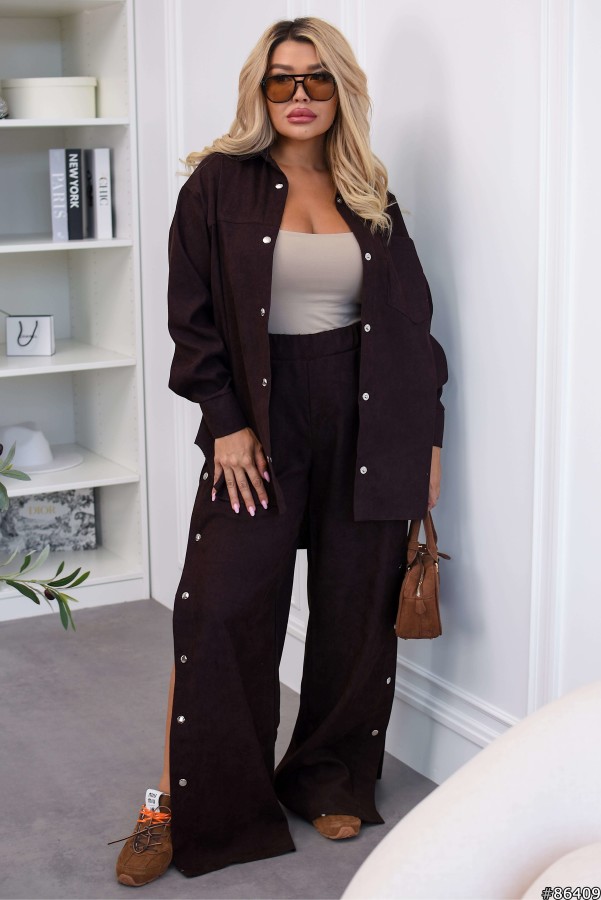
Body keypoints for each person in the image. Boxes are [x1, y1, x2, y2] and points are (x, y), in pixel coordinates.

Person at [113, 15, 448, 887]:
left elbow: (411, 325)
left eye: (317, 79)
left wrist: (426, 437)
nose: (300, 95)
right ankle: (187, 808)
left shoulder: (369, 190)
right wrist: (225, 421)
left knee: (355, 612)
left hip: (368, 421)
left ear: (342, 91)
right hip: (260, 421)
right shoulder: (216, 184)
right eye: (282, 79)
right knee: (218, 611)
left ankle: (328, 776)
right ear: (259, 91)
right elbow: (190, 318)